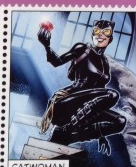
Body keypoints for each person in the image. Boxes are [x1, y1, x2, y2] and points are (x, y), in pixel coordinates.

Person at [37, 19, 126, 155]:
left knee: (120, 121)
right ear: (92, 34)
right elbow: (56, 61)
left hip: (85, 111)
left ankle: (65, 137)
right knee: (112, 95)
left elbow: (100, 102)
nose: (100, 34)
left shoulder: (105, 63)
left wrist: (101, 135)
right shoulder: (82, 49)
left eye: (106, 32)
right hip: (66, 104)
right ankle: (66, 130)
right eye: (97, 30)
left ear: (110, 38)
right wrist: (46, 46)